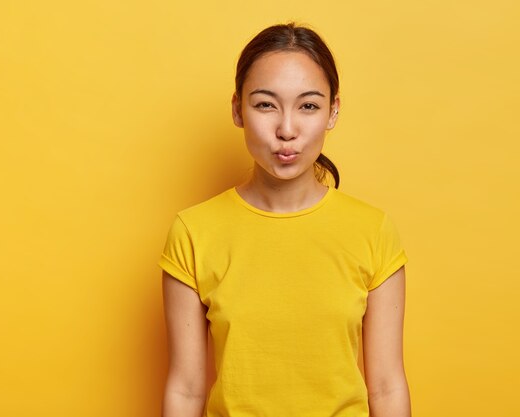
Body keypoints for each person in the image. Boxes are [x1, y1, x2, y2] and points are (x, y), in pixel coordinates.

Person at [159, 22, 411, 417]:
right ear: (237, 109)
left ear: (333, 112)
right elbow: (186, 390)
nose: (287, 130)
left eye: (308, 106)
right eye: (265, 104)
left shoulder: (373, 231)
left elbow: (387, 386)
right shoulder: (193, 233)